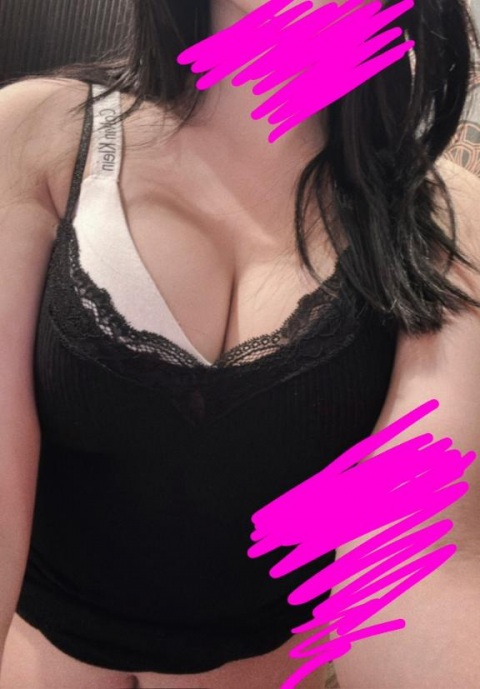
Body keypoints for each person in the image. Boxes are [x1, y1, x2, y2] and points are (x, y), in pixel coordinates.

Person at [0, 1, 479, 688]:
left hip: (268, 658)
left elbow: (424, 556)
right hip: (45, 644)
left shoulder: (449, 218)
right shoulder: (34, 134)